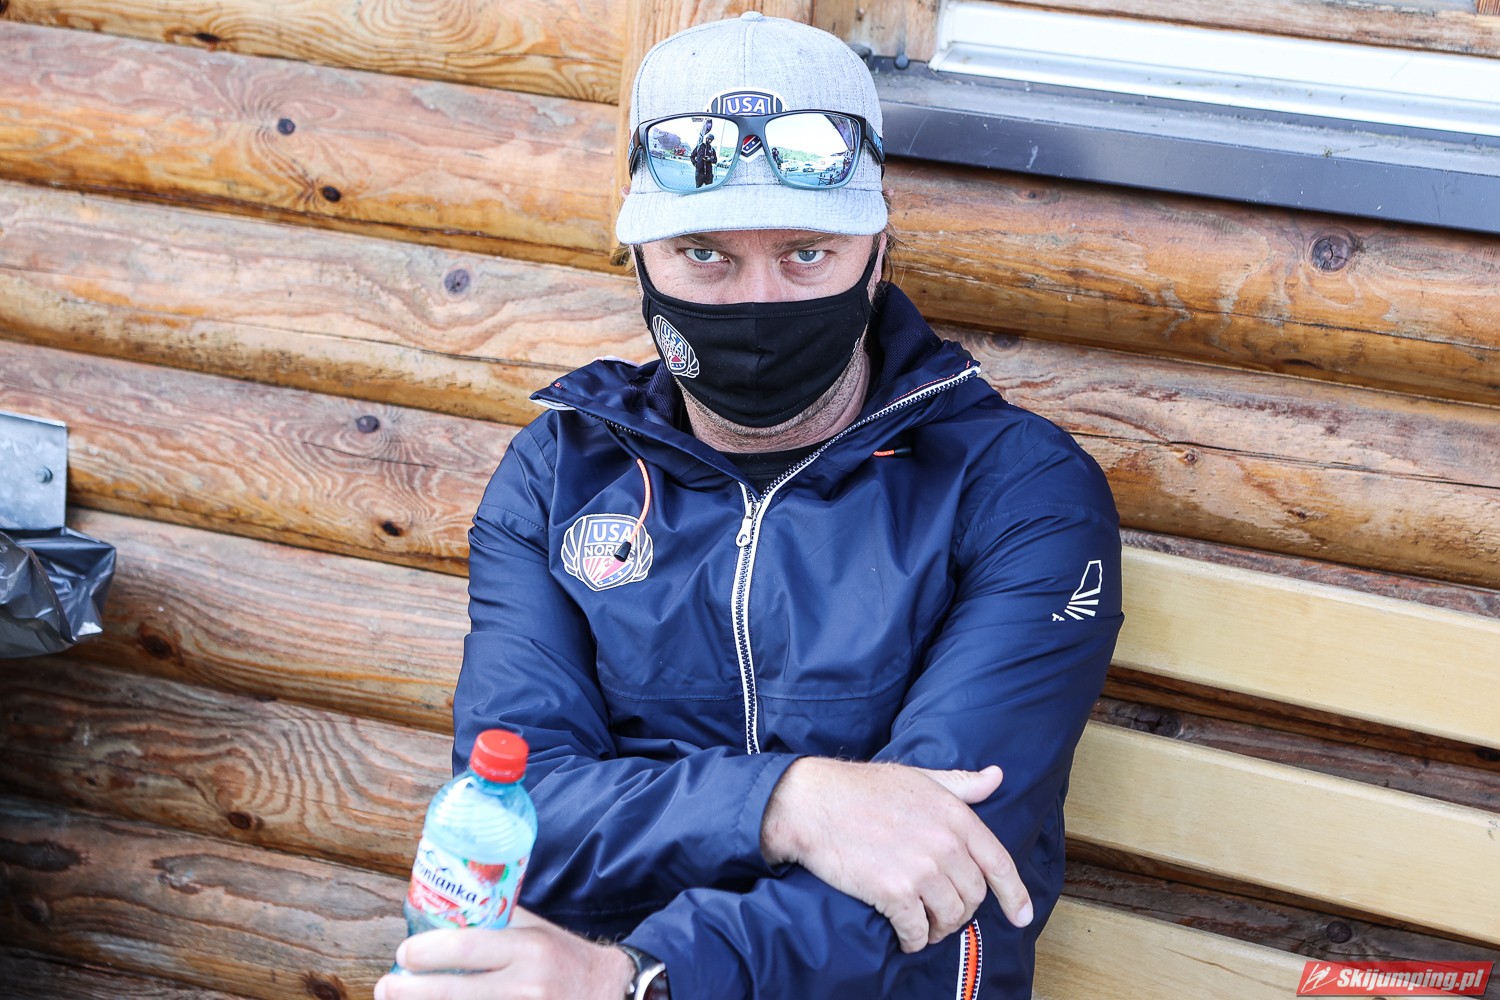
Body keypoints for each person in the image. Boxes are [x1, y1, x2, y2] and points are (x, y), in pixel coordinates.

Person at [377, 11, 1122, 1000]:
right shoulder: (560, 474)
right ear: (639, 257)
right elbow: (523, 806)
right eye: (706, 255)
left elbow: (936, 861)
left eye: (807, 252)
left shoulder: (1016, 489)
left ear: (878, 250)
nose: (758, 300)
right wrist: (787, 801)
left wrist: (643, 977)